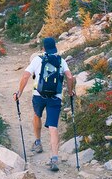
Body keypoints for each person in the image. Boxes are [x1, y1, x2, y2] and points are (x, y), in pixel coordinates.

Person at [14, 36, 75, 171]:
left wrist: (19, 92)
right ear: (55, 47)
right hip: (55, 97)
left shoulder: (37, 59)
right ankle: (54, 158)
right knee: (53, 127)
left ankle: (38, 142)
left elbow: (25, 76)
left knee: (37, 115)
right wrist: (70, 92)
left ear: (43, 48)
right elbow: (70, 77)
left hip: (39, 95)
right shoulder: (61, 61)